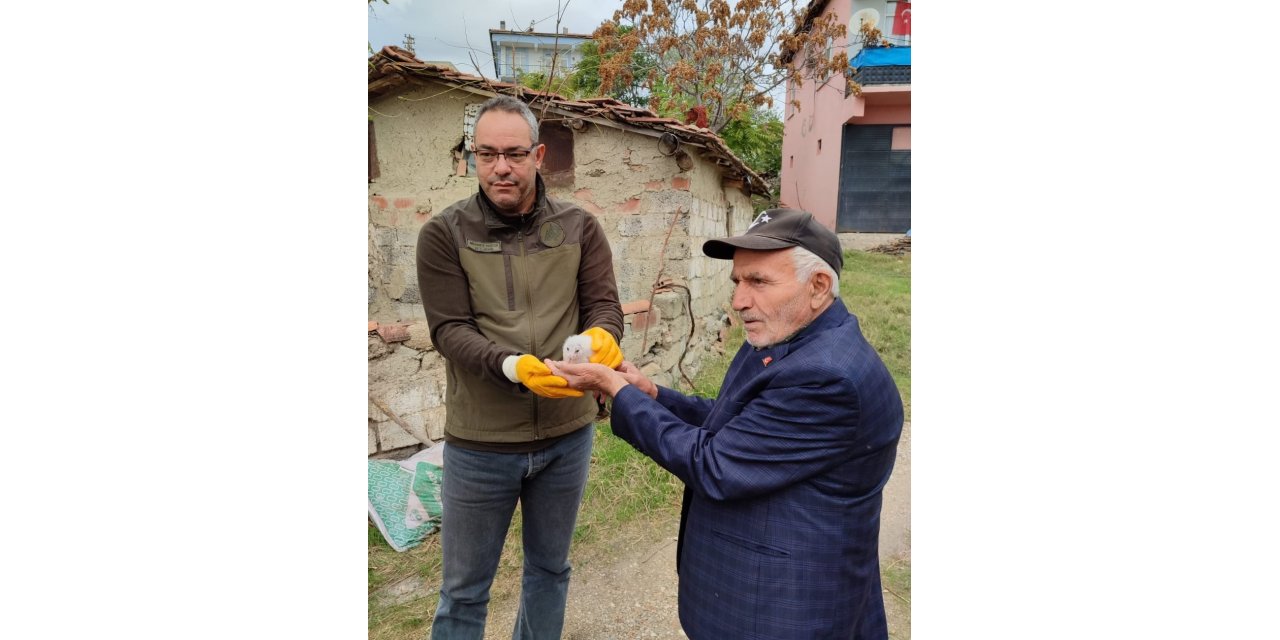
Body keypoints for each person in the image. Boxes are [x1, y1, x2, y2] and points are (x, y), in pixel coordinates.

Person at [550, 208, 904, 639]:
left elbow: (715, 465)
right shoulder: (793, 337)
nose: (738, 300)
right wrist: (655, 395)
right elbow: (742, 421)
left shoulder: (827, 376)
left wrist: (617, 391)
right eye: (738, 281)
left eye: (759, 281)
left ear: (818, 286)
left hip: (782, 611)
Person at [415, 94, 625, 639]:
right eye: (486, 154)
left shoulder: (580, 226)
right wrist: (511, 366)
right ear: (472, 157)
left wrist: (604, 336)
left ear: (538, 155)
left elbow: (604, 304)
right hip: (480, 443)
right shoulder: (445, 233)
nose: (499, 167)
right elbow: (449, 330)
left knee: (550, 571)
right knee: (463, 591)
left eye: (512, 153)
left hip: (566, 436)